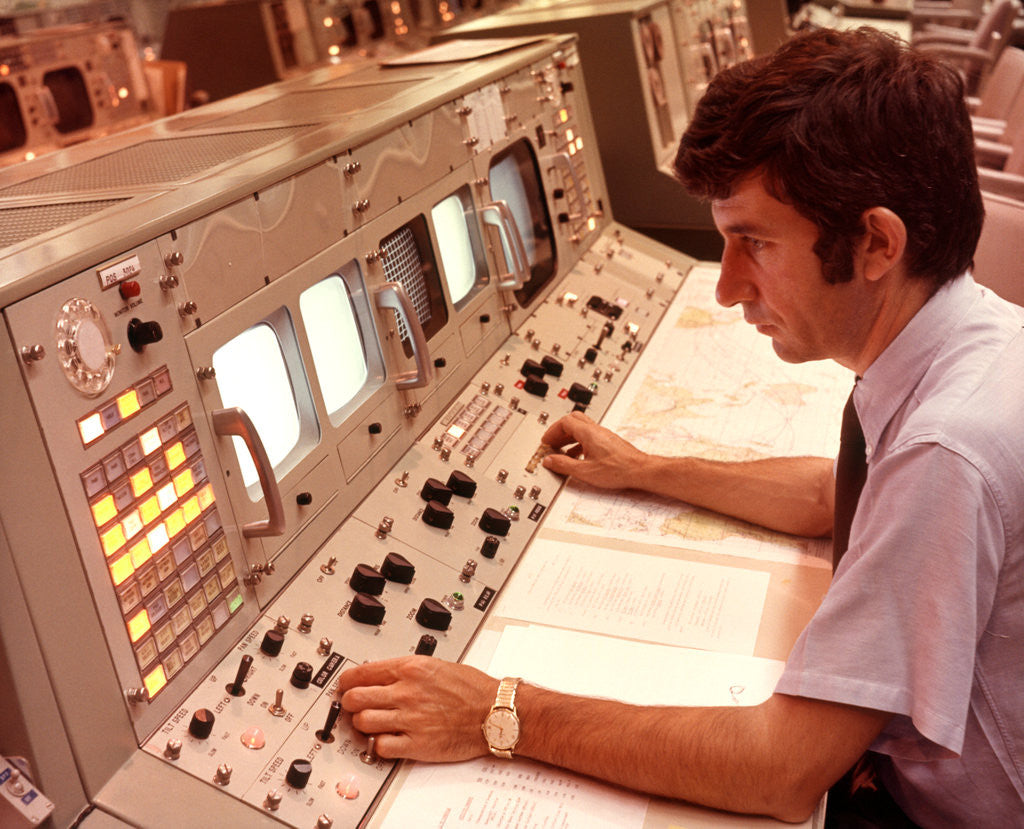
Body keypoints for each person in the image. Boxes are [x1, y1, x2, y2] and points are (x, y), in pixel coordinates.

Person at [338, 27, 1024, 825]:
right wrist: (649, 471)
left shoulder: (946, 453)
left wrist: (499, 712)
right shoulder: (971, 333)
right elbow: (839, 495)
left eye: (753, 243)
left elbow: (781, 768)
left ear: (876, 242)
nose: (728, 287)